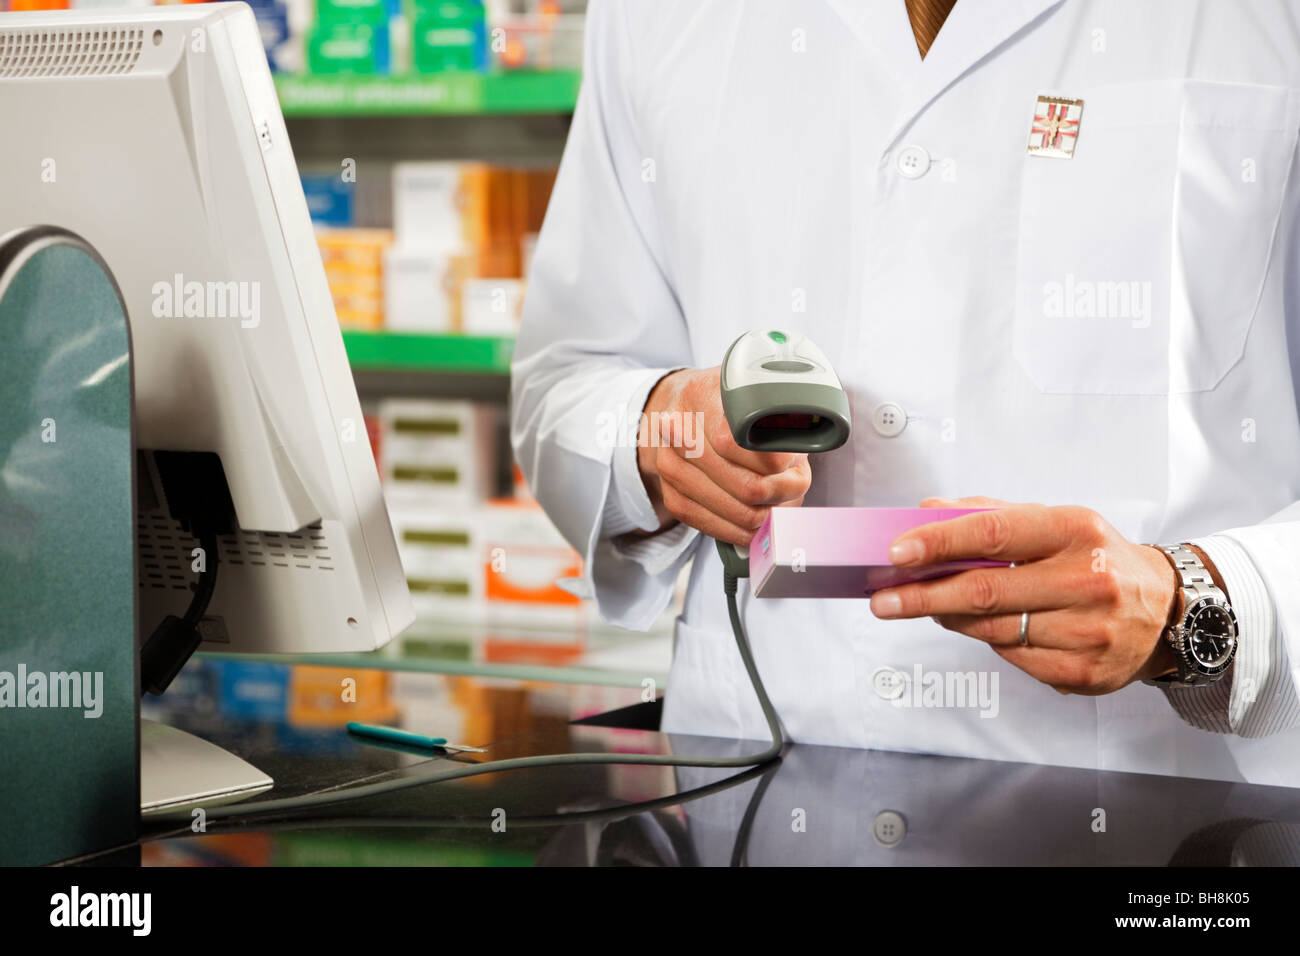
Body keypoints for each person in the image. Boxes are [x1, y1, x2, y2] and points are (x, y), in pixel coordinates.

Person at [510, 0, 1300, 786]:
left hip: (1159, 796)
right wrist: (655, 434)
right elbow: (564, 376)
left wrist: (1193, 604)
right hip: (754, 774)